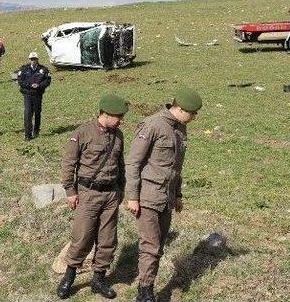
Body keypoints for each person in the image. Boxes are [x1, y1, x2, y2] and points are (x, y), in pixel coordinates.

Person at [125, 88, 202, 302]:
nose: (194, 117)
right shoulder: (153, 125)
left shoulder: (180, 128)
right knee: (150, 246)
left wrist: (178, 194)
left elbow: (177, 166)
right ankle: (145, 291)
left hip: (166, 197)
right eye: (192, 113)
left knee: (158, 245)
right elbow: (134, 162)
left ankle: (147, 285)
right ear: (180, 108)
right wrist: (132, 196)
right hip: (148, 195)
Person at [57, 94, 129, 300]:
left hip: (111, 194)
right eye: (118, 117)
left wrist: (121, 188)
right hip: (88, 193)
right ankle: (69, 277)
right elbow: (68, 163)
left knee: (108, 239)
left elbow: (120, 164)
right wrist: (70, 191)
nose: (121, 121)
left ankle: (99, 279)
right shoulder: (83, 133)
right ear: (105, 115)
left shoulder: (118, 135)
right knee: (82, 237)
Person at [17, 51, 51, 140]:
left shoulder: (43, 69)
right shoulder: (24, 69)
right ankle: (28, 134)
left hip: (38, 94)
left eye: (35, 59)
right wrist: (30, 85)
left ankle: (36, 131)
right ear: (29, 60)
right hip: (27, 94)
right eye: (32, 59)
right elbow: (20, 81)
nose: (33, 61)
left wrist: (39, 85)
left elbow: (47, 81)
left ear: (37, 59)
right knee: (28, 113)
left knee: (37, 113)